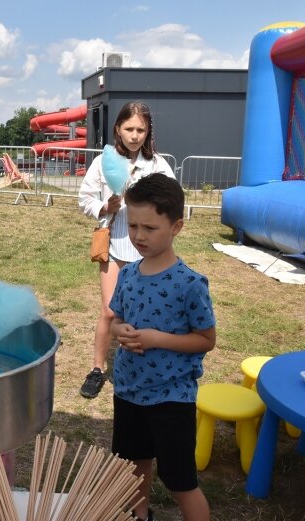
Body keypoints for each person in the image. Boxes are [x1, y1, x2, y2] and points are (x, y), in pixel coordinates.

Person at [109, 173, 216, 521]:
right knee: (132, 465)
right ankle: (140, 515)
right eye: (133, 225)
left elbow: (206, 339)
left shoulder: (190, 284)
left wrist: (157, 338)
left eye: (150, 228)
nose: (139, 236)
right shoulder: (127, 274)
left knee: (180, 478)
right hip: (128, 390)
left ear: (177, 227)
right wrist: (119, 330)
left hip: (171, 396)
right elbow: (114, 319)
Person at [77, 102, 176, 398]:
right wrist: (105, 206)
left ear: (148, 132)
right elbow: (84, 198)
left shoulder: (157, 164)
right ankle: (97, 369)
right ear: (118, 129)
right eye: (129, 128)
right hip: (115, 245)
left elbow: (172, 198)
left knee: (143, 313)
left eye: (141, 130)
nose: (135, 135)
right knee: (109, 311)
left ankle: (136, 367)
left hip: (148, 252)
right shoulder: (104, 162)